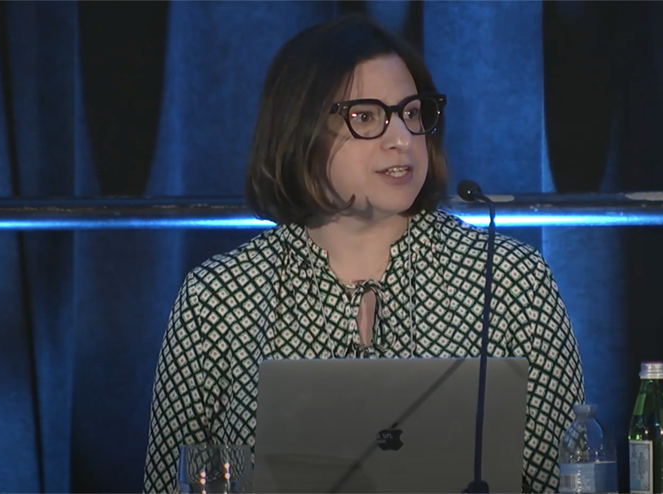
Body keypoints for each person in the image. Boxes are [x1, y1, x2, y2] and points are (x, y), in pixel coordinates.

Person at [142, 14, 585, 494]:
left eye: (413, 113)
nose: (403, 139)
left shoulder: (509, 281)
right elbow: (168, 483)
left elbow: (572, 478)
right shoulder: (216, 300)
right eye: (367, 116)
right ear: (299, 130)